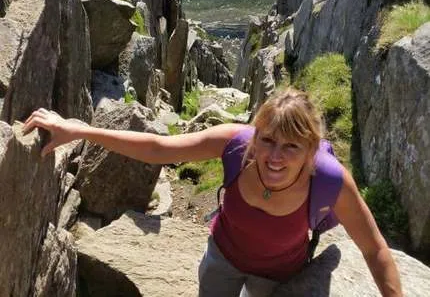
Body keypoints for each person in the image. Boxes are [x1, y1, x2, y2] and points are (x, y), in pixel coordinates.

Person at [23, 88, 403, 297]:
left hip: (280, 276)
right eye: (267, 140)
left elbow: (375, 250)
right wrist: (80, 130)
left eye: (291, 147)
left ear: (310, 149)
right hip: (222, 257)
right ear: (255, 134)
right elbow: (158, 148)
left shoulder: (331, 180)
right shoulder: (236, 145)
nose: (273, 157)